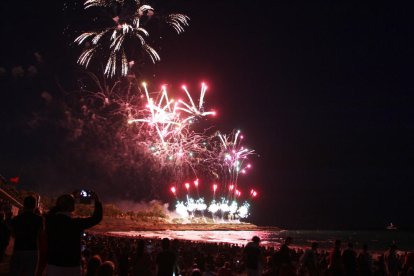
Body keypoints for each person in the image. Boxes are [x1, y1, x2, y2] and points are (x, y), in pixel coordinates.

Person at [44, 191, 103, 276]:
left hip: (53, 264)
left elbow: (51, 212)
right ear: (70, 206)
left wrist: (66, 200)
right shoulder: (75, 223)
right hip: (72, 266)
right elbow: (97, 218)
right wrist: (97, 200)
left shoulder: (49, 220)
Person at [10, 195, 44, 276]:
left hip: (18, 249)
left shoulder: (16, 219)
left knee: (15, 272)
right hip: (32, 250)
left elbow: (13, 234)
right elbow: (40, 234)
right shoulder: (39, 219)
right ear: (35, 206)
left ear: (24, 205)